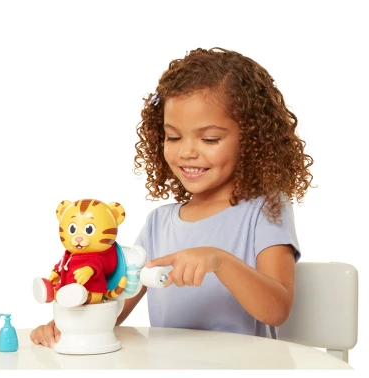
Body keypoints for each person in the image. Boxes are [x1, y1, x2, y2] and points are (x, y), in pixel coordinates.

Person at [31, 47, 314, 347]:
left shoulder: (265, 210)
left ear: (251, 139)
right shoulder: (158, 224)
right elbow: (114, 307)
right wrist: (68, 326)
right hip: (170, 367)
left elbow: (277, 310)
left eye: (210, 139)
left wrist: (220, 261)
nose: (186, 151)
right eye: (174, 137)